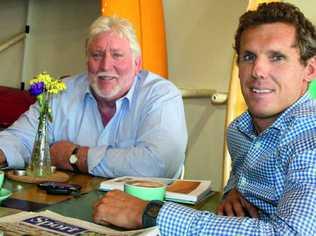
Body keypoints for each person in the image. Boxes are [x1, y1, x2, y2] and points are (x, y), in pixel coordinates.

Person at [93, 2, 316, 235]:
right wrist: (233, 191)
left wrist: (149, 213)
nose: (258, 70)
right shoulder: (240, 131)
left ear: (309, 70)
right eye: (249, 56)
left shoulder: (310, 140)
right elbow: (240, 184)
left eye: (277, 57)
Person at [0, 16, 188, 178]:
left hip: (139, 211)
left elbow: (159, 163)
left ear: (137, 63)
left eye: (117, 55)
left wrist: (77, 157)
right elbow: (21, 137)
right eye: (97, 55)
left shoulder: (161, 96)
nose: (106, 66)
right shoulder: (62, 92)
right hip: (67, 205)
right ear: (87, 61)